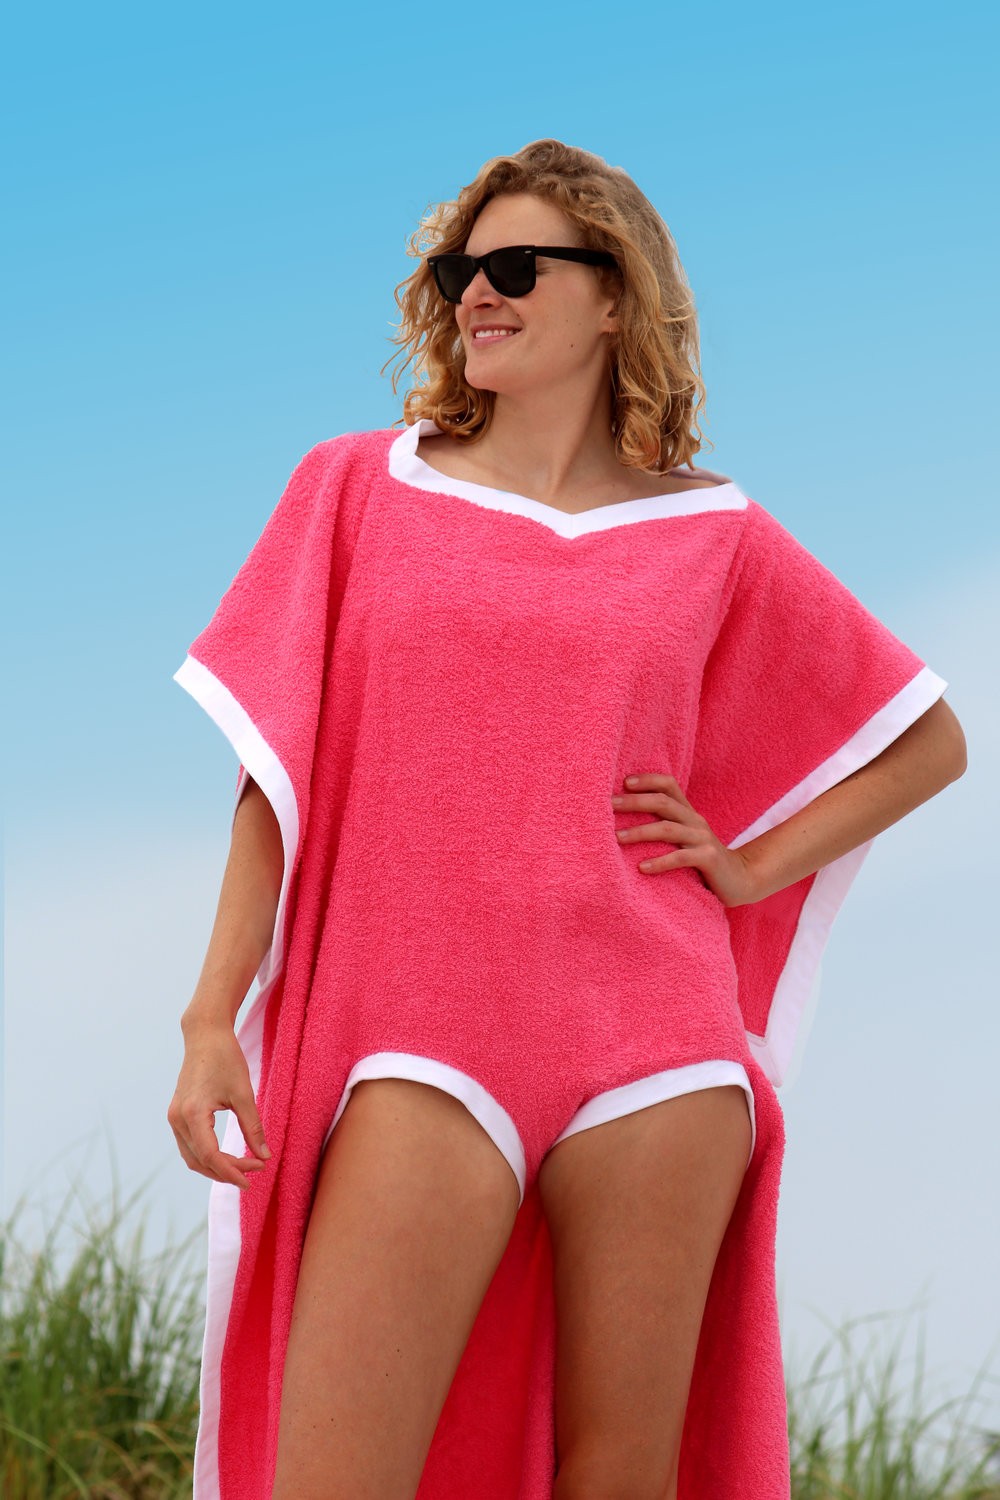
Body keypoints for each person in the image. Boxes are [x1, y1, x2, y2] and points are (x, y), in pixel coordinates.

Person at [168, 139, 967, 1500]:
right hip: (416, 1030)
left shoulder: (717, 536)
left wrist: (746, 866)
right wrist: (207, 1020)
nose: (478, 293)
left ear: (614, 296)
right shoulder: (359, 488)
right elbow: (271, 779)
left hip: (658, 1041)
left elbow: (927, 740)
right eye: (459, 272)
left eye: (517, 267)